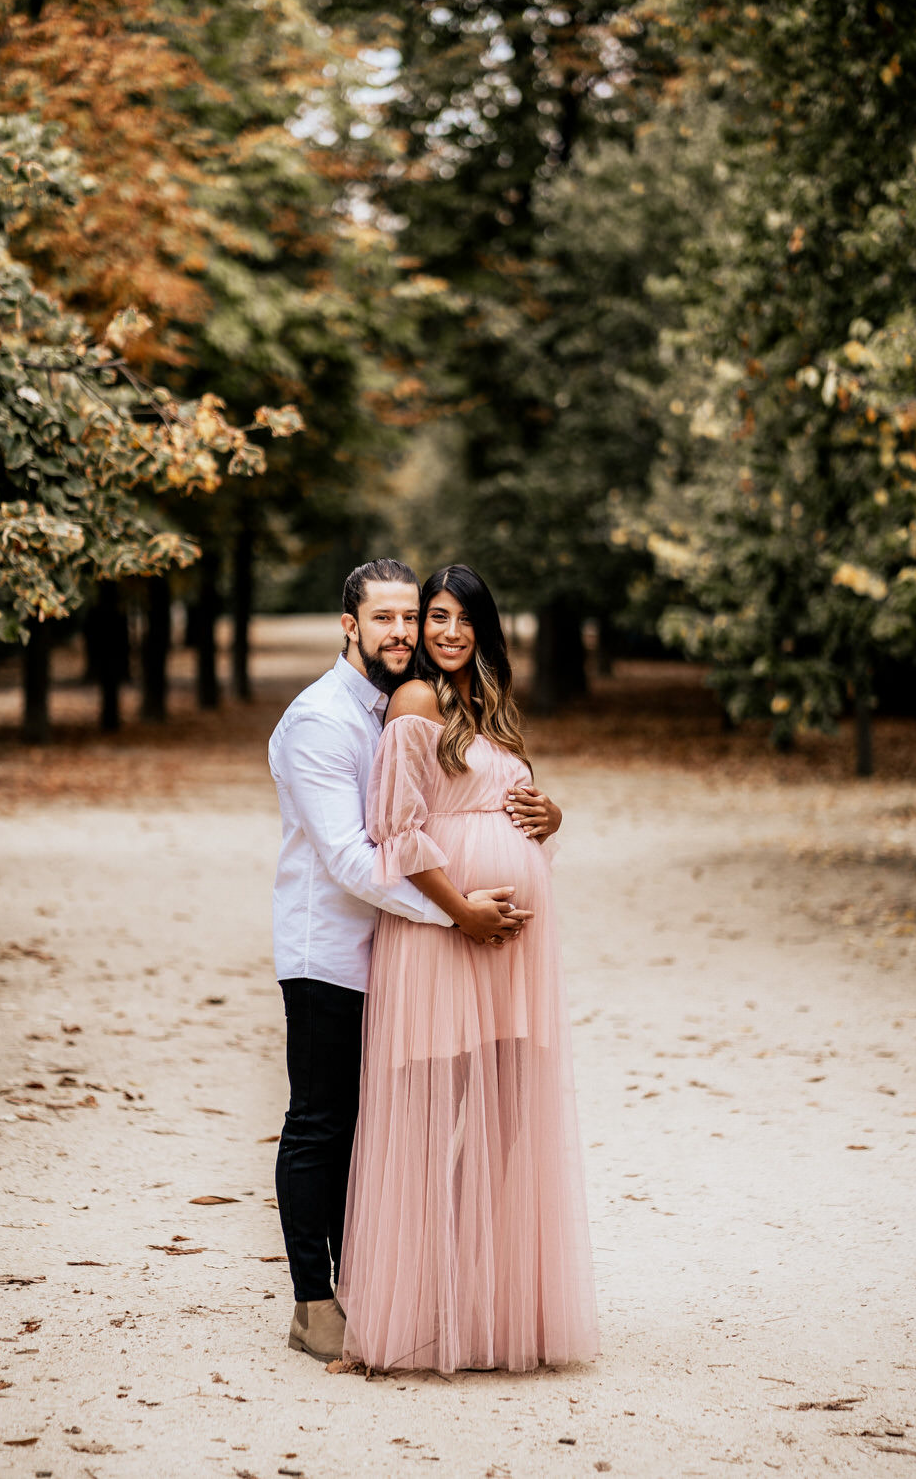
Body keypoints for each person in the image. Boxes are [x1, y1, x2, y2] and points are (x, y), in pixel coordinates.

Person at [268, 558, 530, 1363]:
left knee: (376, 1126)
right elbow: (353, 859)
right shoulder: (320, 721)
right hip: (330, 953)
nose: (404, 633)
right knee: (322, 1124)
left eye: (409, 618)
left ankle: (383, 1286)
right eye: (384, 619)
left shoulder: (405, 703)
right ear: (349, 625)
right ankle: (316, 1304)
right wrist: (456, 918)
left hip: (394, 948)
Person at [338, 564, 598, 1374]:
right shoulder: (415, 704)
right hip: (448, 938)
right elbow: (398, 832)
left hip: (514, 945)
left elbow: (509, 813)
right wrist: (464, 911)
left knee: (509, 1121)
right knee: (435, 1118)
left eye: (461, 620)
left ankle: (488, 1304)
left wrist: (549, 815)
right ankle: (418, 1311)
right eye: (435, 619)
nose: (446, 634)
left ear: (482, 627)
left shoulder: (491, 710)